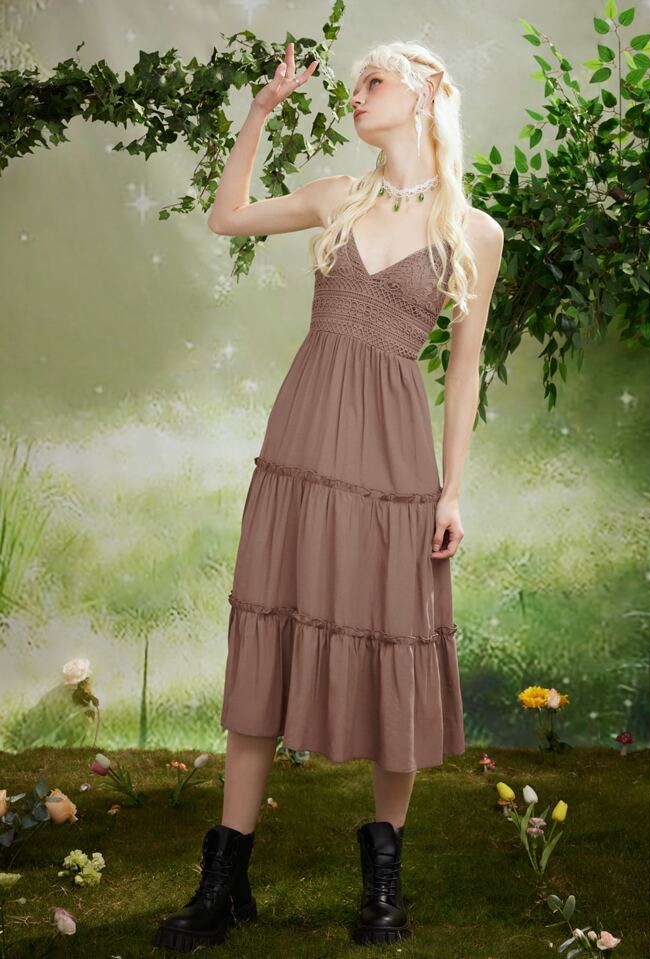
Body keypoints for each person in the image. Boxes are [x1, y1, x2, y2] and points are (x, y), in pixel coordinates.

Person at [153, 39, 503, 952]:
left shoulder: (475, 231)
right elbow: (227, 216)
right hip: (303, 444)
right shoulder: (338, 194)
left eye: (373, 81)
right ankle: (225, 880)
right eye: (354, 86)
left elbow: (464, 374)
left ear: (425, 91)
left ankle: (383, 879)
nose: (356, 95)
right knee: (269, 633)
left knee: (395, 645)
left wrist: (452, 491)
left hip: (395, 462)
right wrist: (260, 112)